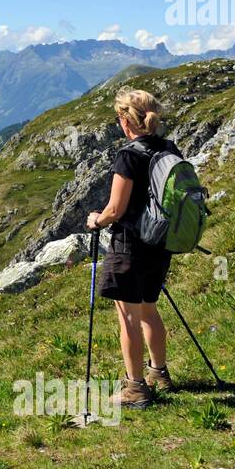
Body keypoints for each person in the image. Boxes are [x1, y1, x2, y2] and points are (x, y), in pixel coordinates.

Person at [85, 88, 179, 409]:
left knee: (127, 315)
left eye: (119, 118)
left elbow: (116, 209)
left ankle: (135, 388)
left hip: (130, 245)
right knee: (149, 308)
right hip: (160, 242)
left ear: (127, 121)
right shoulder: (168, 149)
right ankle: (159, 374)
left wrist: (96, 220)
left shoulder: (129, 155)